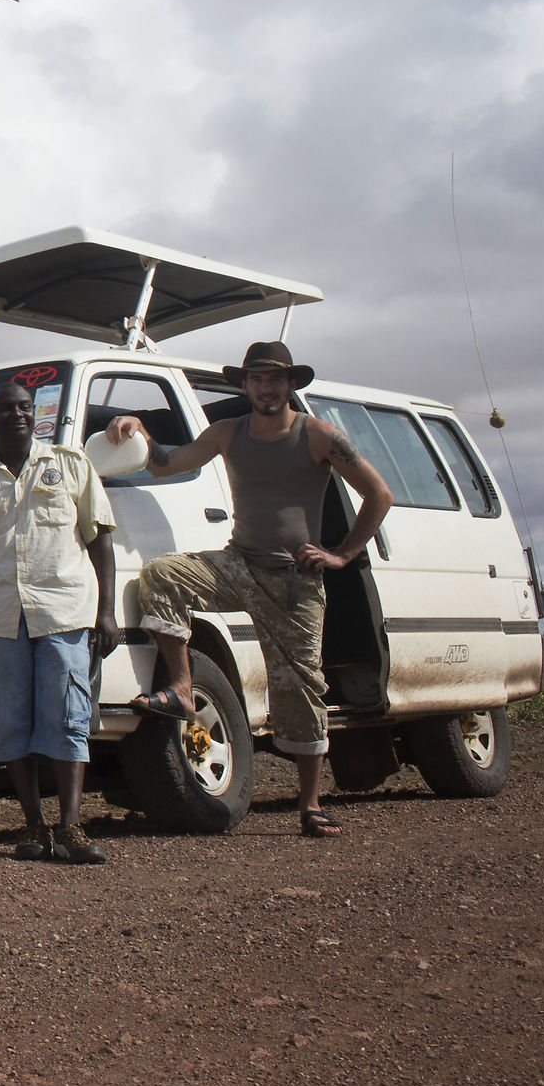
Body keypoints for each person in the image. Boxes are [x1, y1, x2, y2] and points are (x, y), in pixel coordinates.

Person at [107, 340, 393, 837]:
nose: (267, 387)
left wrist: (341, 554)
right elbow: (164, 464)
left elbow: (379, 494)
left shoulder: (318, 435)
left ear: (290, 384)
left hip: (294, 581)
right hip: (240, 563)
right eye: (257, 379)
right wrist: (137, 427)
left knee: (301, 688)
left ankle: (310, 805)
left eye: (276, 378)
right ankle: (180, 688)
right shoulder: (226, 433)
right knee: (163, 575)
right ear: (244, 385)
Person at [0, 379, 121, 863]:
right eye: (5, 409)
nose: (17, 415)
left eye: (24, 408)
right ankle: (33, 826)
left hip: (65, 611)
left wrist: (107, 611)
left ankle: (72, 828)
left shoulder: (69, 465)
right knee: (9, 722)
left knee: (66, 716)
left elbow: (99, 538)